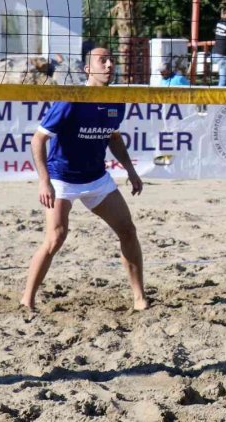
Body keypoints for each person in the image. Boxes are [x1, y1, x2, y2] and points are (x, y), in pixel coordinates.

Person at [20, 47, 148, 312]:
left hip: (96, 178)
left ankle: (139, 298)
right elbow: (38, 139)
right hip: (62, 179)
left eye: (112, 60)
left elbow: (112, 137)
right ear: (88, 69)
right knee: (56, 238)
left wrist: (130, 171)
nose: (110, 64)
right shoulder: (72, 99)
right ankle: (27, 299)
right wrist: (44, 182)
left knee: (128, 231)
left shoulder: (117, 99)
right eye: (103, 60)